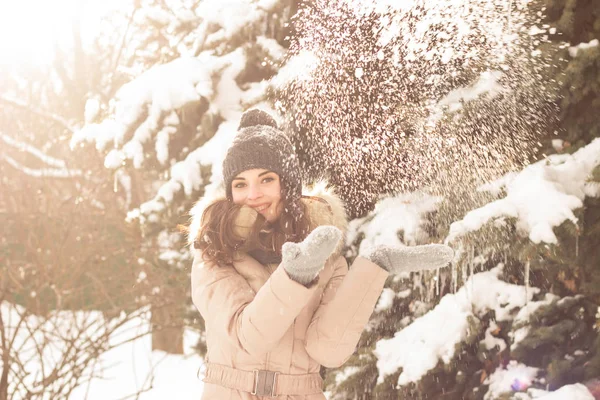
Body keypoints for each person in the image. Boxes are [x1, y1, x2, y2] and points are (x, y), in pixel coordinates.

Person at [189, 109, 453, 399]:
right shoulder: (215, 254)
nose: (253, 195)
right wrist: (295, 276)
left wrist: (374, 268)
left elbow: (327, 350)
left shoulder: (326, 257)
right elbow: (248, 337)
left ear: (286, 184)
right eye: (240, 184)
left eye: (266, 180)